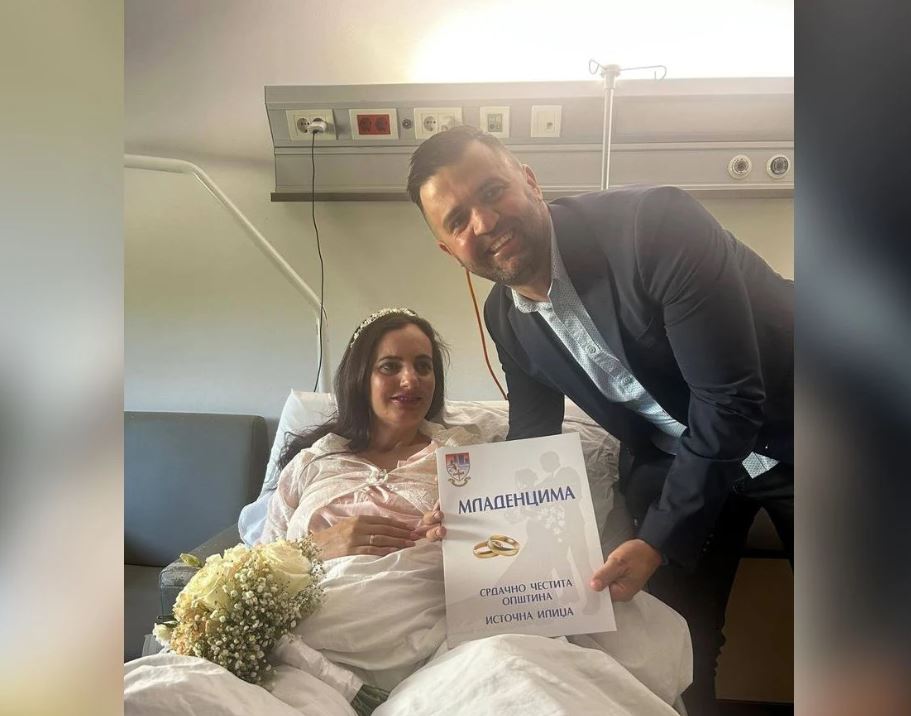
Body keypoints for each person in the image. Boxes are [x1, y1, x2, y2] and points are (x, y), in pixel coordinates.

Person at [407, 125, 793, 715]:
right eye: (458, 221)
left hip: (804, 424)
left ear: (530, 181)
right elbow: (530, 435)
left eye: (492, 191)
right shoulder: (507, 319)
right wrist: (473, 511)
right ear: (448, 248)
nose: (484, 222)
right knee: (678, 642)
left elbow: (729, 400)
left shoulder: (653, 227)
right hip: (682, 461)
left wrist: (659, 538)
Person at [261, 307, 474, 556]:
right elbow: (258, 564)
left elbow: (497, 548)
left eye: (423, 366)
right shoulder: (311, 462)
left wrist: (458, 537)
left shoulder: (464, 456)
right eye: (390, 366)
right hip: (312, 581)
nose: (410, 380)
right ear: (360, 378)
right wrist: (316, 547)